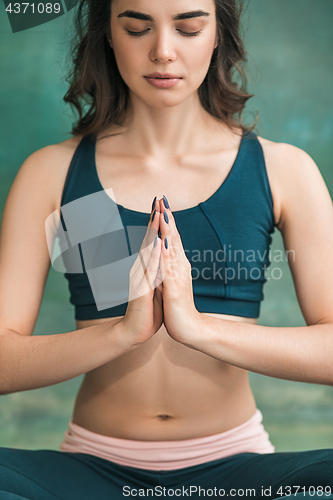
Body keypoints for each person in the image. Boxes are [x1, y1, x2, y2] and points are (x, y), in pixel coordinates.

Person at [0, 0, 332, 498]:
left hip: (237, 469)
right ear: (108, 35)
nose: (162, 51)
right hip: (90, 469)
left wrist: (196, 327)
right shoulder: (55, 172)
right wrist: (122, 332)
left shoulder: (282, 169)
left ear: (218, 33)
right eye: (137, 28)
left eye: (188, 28)